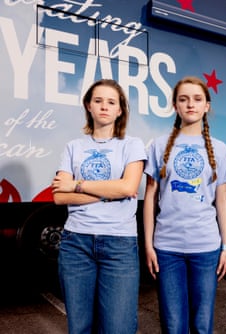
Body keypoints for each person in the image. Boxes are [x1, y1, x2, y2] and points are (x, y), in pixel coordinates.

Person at [51, 79, 146, 333]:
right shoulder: (73, 147)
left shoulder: (132, 145)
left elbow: (128, 189)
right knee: (80, 327)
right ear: (88, 106)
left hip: (119, 245)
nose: (104, 106)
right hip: (76, 243)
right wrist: (110, 191)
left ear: (120, 110)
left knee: (119, 327)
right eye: (98, 100)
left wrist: (77, 185)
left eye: (111, 102)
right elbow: (60, 196)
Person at [143, 76, 226, 334]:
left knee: (202, 325)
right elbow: (150, 196)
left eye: (197, 99)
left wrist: (225, 247)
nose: (190, 104)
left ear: (207, 105)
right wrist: (149, 245)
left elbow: (223, 199)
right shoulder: (159, 145)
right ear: (175, 106)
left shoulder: (219, 148)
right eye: (183, 99)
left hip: (206, 248)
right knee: (173, 326)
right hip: (167, 248)